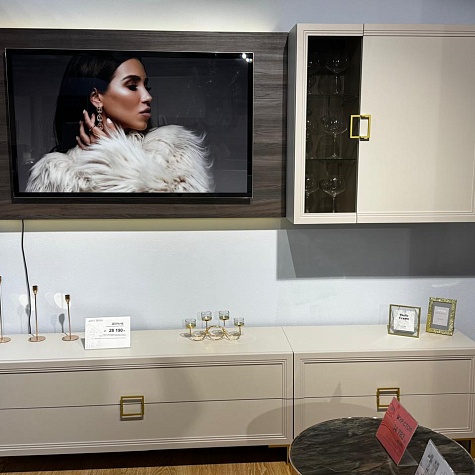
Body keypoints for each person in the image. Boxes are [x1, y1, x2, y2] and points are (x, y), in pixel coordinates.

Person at [26, 52, 214, 193]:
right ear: (96, 97)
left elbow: (182, 216)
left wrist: (113, 153)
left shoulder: (173, 148)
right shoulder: (55, 173)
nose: (147, 96)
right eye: (132, 86)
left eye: (146, 86)